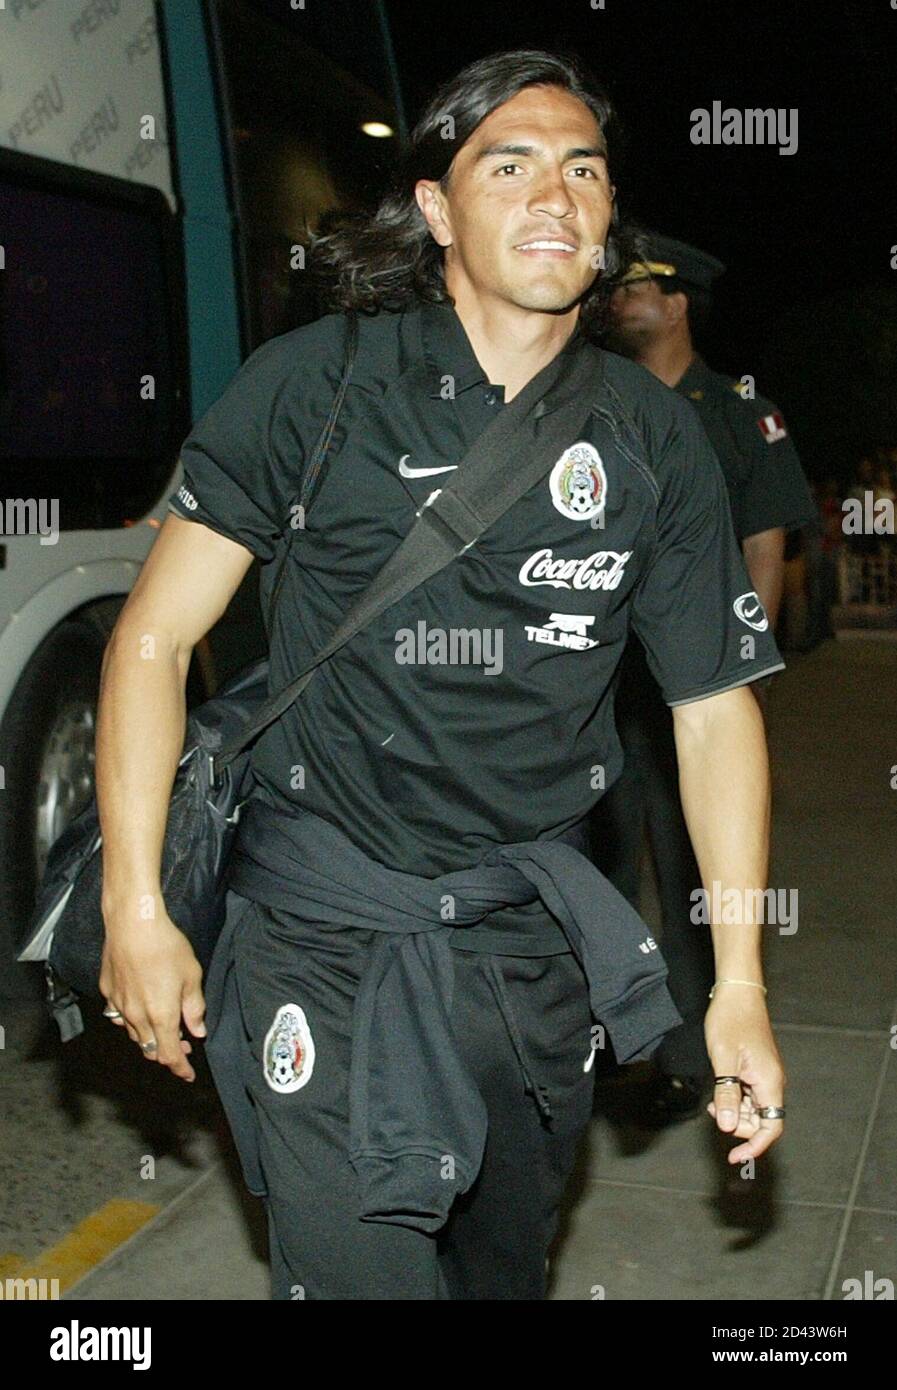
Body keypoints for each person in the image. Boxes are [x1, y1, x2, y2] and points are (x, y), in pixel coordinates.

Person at [94, 51, 787, 1301]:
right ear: (434, 209)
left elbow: (711, 706)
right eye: (507, 165)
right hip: (322, 923)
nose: (554, 197)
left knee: (501, 1269)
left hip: (531, 941)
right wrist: (136, 906)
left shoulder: (656, 437)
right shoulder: (317, 386)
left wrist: (736, 983)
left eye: (583, 170)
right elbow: (150, 641)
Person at [591, 232, 816, 1122]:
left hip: (687, 679)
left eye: (636, 288)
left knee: (690, 867)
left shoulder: (734, 412)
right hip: (597, 679)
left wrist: (746, 678)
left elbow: (763, 547)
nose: (615, 299)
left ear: (677, 304)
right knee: (594, 858)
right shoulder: (590, 401)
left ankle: (692, 1053)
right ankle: (603, 1037)